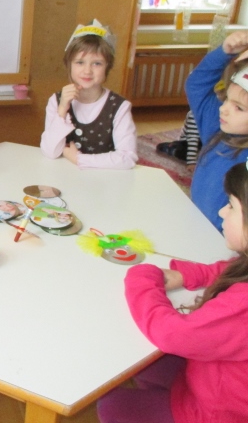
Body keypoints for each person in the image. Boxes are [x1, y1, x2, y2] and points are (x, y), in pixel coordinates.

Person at [97, 160, 248, 423]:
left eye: (232, 206)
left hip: (214, 412)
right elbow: (232, 269)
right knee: (146, 366)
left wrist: (141, 279)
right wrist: (186, 274)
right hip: (215, 378)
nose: (222, 212)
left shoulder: (243, 307)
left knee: (111, 405)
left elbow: (173, 335)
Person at [40, 19, 138, 169]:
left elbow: (127, 158)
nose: (87, 71)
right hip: (65, 178)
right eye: (80, 62)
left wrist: (79, 159)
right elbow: (49, 152)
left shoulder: (119, 107)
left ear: (107, 67)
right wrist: (62, 110)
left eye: (97, 63)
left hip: (105, 183)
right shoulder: (57, 100)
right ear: (69, 65)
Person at [185, 30, 248, 233]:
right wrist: (224, 52)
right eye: (227, 99)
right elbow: (196, 85)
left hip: (226, 247)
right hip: (194, 228)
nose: (224, 108)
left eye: (239, 107)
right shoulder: (217, 128)